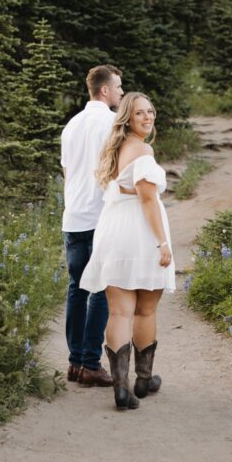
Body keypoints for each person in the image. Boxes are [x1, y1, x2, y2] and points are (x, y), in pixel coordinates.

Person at [80, 92, 175, 410]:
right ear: (127, 119)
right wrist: (162, 242)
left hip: (113, 232)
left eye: (151, 111)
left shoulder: (115, 149)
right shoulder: (143, 151)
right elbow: (147, 200)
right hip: (139, 234)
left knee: (120, 311)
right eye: (140, 114)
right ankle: (143, 379)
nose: (148, 117)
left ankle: (122, 388)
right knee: (145, 310)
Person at [61, 64, 124, 386]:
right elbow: (117, 171)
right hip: (101, 217)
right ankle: (89, 363)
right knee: (100, 289)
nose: (121, 92)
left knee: (77, 288)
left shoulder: (71, 125)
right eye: (118, 87)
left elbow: (67, 172)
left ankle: (74, 363)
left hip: (73, 217)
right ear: (104, 90)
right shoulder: (112, 123)